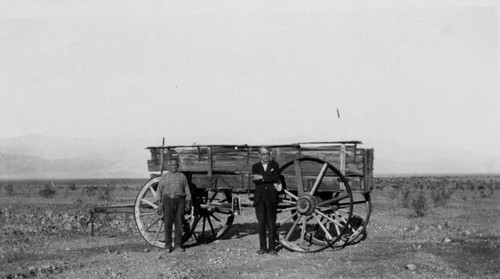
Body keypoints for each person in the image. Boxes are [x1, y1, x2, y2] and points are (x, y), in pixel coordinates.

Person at [156, 158, 192, 253]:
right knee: (167, 223)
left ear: (178, 166)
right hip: (167, 201)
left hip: (180, 200)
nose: (173, 167)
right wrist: (159, 202)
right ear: (169, 166)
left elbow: (187, 189)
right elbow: (159, 190)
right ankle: (168, 245)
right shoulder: (164, 177)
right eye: (171, 165)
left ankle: (178, 245)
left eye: (175, 165)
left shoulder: (182, 177)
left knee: (179, 223)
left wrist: (188, 201)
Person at [252, 146, 280, 255]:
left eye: (267, 154)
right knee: (261, 224)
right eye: (263, 154)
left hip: (271, 198)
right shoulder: (255, 166)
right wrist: (268, 177)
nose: (265, 156)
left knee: (271, 224)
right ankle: (262, 248)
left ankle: (272, 249)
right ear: (259, 155)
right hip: (259, 198)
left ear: (269, 154)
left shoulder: (274, 165)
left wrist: (262, 178)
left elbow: (275, 177)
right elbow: (255, 180)